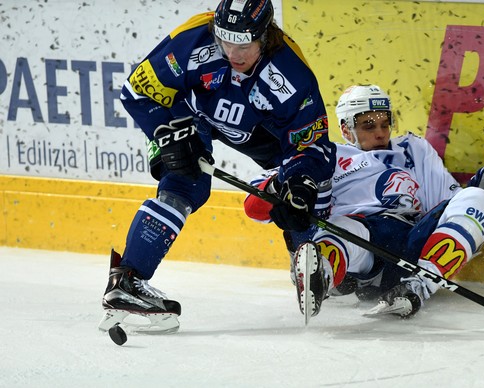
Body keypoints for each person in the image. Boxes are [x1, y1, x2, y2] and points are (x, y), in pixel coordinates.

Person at [98, 0, 336, 333]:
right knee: (186, 181)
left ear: (265, 36)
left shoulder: (291, 74)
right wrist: (166, 135)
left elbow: (311, 144)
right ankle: (128, 280)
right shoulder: (194, 38)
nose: (232, 53)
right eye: (225, 41)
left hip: (259, 130)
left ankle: (309, 253)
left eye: (243, 44)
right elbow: (137, 91)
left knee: (305, 187)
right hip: (192, 114)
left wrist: (300, 184)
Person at [244, 84, 484, 320]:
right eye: (368, 125)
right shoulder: (324, 156)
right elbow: (254, 202)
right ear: (346, 128)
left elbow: (448, 203)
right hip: (359, 258)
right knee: (344, 228)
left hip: (411, 247)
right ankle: (321, 274)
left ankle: (417, 287)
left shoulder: (413, 150)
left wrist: (482, 190)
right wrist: (279, 189)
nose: (380, 132)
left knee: (479, 197)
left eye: (384, 123)